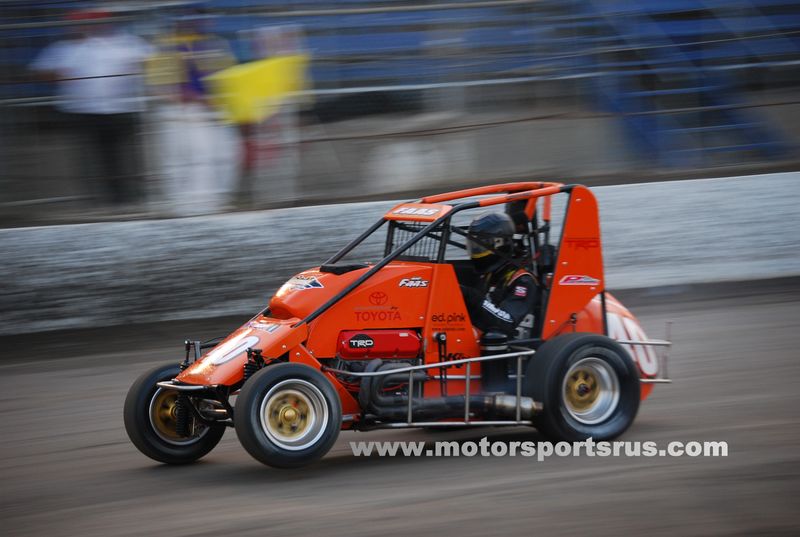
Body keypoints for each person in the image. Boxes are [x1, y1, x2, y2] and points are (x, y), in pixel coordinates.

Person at [30, 10, 153, 206]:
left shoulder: (128, 42)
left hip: (122, 108)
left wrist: (136, 69)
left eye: (91, 23)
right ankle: (99, 199)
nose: (86, 27)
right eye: (81, 24)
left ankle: (131, 196)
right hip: (83, 111)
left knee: (126, 154)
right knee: (91, 156)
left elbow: (151, 61)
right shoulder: (63, 47)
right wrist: (58, 75)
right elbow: (40, 71)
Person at [461, 212, 539, 340]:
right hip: (481, 336)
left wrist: (472, 297)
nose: (477, 253)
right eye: (474, 247)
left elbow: (507, 322)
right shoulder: (490, 274)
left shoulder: (523, 281)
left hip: (510, 346)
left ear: (500, 243)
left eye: (481, 247)